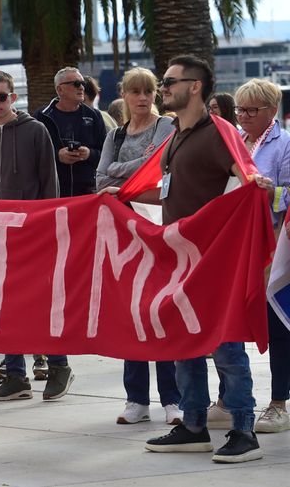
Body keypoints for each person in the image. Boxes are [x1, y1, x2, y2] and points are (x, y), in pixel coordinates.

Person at [113, 56, 268, 463]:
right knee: (185, 343)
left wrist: (258, 184)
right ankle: (194, 426)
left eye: (169, 81)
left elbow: (246, 175)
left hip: (214, 258)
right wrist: (122, 196)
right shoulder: (176, 136)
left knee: (225, 346)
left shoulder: (218, 132)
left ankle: (243, 431)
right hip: (179, 258)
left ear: (195, 86)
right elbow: (168, 192)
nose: (163, 88)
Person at [0, 70, 70, 402]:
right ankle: (15, 376)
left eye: (1, 96)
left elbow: (49, 183)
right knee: (3, 307)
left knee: (43, 304)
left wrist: (49, 228)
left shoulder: (36, 132)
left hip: (33, 234)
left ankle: (59, 366)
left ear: (14, 97)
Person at [95, 68, 180, 425]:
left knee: (161, 313)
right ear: (125, 96)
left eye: (148, 91)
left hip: (160, 229)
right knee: (131, 314)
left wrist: (121, 172)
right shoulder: (114, 134)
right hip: (124, 233)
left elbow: (157, 167)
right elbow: (99, 178)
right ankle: (137, 399)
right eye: (135, 92)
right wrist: (131, 169)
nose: (142, 98)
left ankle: (172, 399)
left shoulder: (166, 127)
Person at [209, 79, 290, 434]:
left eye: (252, 110)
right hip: (232, 250)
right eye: (240, 109)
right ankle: (229, 398)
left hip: (273, 248)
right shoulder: (232, 143)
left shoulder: (284, 144)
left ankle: (278, 403)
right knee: (229, 326)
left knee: (278, 328)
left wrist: (269, 192)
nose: (243, 116)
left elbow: (288, 194)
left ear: (273, 110)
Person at [36, 67, 107, 198]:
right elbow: (32, 156)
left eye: (82, 83)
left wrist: (89, 154)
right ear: (60, 90)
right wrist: (57, 156)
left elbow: (107, 154)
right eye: (75, 84)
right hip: (53, 193)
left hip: (88, 193)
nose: (81, 87)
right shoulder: (42, 117)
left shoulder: (94, 115)